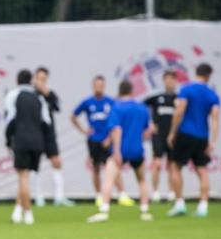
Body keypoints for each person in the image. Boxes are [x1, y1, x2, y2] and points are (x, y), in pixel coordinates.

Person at [87, 80, 154, 223]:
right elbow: (148, 131)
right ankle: (145, 211)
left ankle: (104, 210)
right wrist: (136, 139)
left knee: (109, 179)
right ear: (132, 91)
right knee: (142, 180)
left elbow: (116, 129)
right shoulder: (142, 108)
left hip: (121, 150)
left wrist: (116, 150)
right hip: (137, 149)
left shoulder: (116, 108)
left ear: (119, 91)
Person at [166, 63, 220, 217]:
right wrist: (213, 140)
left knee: (176, 167)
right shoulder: (212, 94)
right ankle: (203, 205)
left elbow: (179, 111)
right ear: (208, 75)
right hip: (202, 136)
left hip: (185, 134)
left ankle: (180, 203)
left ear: (196, 72)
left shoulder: (186, 89)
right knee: (202, 170)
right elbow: (215, 119)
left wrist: (172, 132)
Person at [71, 76, 133, 206]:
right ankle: (99, 195)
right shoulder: (87, 102)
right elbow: (73, 116)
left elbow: (116, 123)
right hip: (93, 140)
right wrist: (83, 130)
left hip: (107, 140)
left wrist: (110, 138)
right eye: (97, 85)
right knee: (95, 168)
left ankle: (122, 194)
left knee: (113, 167)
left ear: (104, 86)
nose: (99, 87)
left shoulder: (111, 102)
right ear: (93, 86)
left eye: (101, 85)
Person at [5, 69, 49, 225]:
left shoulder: (13, 95)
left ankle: (28, 213)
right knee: (26, 177)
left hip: (22, 140)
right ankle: (17, 211)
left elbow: (10, 120)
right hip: (37, 141)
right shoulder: (39, 98)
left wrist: (8, 140)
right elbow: (46, 122)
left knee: (23, 178)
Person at [31, 67, 74, 206]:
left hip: (49, 133)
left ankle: (59, 197)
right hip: (35, 133)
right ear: (34, 78)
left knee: (56, 162)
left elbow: (57, 107)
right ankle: (38, 197)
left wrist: (47, 93)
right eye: (39, 78)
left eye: (44, 79)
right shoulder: (30, 94)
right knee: (34, 165)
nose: (41, 81)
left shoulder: (50, 94)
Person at [144, 69, 179, 202]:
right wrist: (149, 123)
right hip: (158, 135)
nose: (169, 82)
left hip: (172, 135)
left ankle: (171, 192)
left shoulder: (179, 99)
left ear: (175, 81)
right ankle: (156, 192)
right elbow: (142, 107)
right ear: (164, 81)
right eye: (167, 79)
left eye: (172, 79)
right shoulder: (156, 98)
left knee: (172, 165)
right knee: (157, 163)